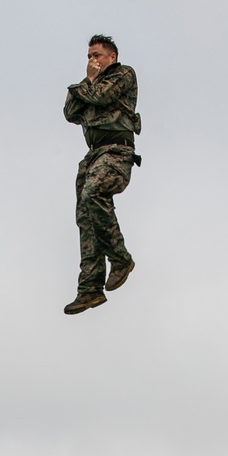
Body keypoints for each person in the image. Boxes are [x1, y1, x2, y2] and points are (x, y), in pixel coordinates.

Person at [62, 34, 140, 315]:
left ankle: (120, 259)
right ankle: (90, 289)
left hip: (116, 152)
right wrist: (86, 83)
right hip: (93, 155)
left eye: (97, 55)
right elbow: (70, 112)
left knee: (93, 192)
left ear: (112, 57)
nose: (92, 61)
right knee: (86, 217)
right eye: (89, 56)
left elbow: (102, 96)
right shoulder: (89, 84)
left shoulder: (123, 75)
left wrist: (87, 85)